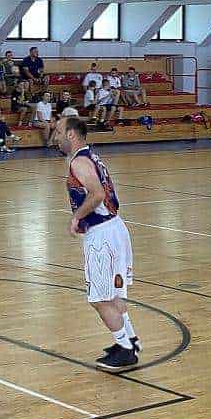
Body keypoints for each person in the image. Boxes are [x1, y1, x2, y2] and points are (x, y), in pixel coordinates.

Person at [54, 116, 139, 370]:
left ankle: (126, 350)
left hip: (102, 236)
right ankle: (129, 342)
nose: (55, 137)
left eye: (58, 132)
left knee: (99, 298)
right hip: (114, 229)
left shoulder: (79, 162)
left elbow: (98, 194)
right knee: (113, 294)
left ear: (71, 134)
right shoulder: (90, 156)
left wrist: (76, 217)